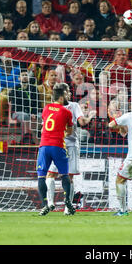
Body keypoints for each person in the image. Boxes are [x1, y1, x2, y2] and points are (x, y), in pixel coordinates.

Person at [57, 83, 96, 214]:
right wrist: (90, 115)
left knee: (60, 175)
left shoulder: (54, 107)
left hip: (58, 143)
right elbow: (83, 122)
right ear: (63, 94)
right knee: (67, 176)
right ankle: (62, 206)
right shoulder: (73, 106)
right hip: (68, 143)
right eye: (67, 92)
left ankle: (64, 205)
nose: (69, 94)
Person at [37, 85, 75, 216]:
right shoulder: (66, 112)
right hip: (58, 146)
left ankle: (45, 204)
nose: (66, 98)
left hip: (44, 146)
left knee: (42, 175)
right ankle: (67, 201)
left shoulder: (46, 109)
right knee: (65, 175)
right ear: (60, 97)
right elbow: (70, 132)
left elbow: (44, 126)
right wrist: (62, 133)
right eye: (65, 95)